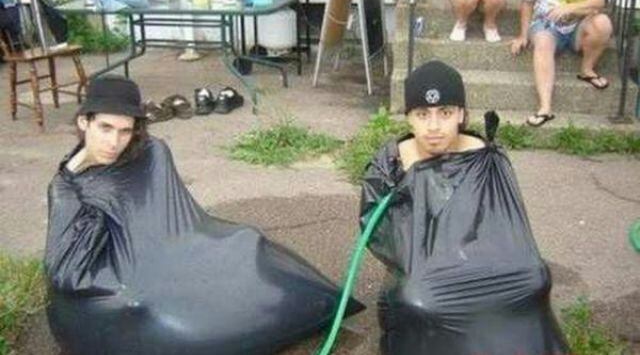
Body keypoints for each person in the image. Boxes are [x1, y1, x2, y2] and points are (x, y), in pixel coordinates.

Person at [45, 76, 363, 355]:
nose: (114, 142)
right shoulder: (67, 189)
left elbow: (169, 213)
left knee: (250, 249)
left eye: (125, 131)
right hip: (132, 280)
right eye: (105, 128)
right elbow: (68, 272)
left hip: (183, 247)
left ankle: (325, 307)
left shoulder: (149, 153)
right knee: (155, 311)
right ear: (84, 122)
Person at [359, 61, 569, 354]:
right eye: (423, 114)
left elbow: (506, 231)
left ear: (460, 114)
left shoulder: (486, 158)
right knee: (421, 299)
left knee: (533, 278)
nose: (434, 126)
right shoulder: (390, 166)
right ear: (409, 118)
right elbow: (388, 242)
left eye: (445, 113)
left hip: (483, 261)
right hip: (426, 272)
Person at [511, 0, 612, 127]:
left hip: (579, 24)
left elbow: (599, 1)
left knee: (603, 23)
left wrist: (569, 8)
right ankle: (545, 108)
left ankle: (587, 69)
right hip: (546, 23)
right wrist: (523, 35)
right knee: (542, 41)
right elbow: (527, 1)